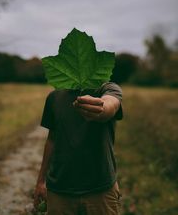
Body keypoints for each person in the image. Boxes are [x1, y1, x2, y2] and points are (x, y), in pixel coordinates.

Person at [34, 81, 123, 215]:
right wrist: (40, 181)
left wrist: (101, 109)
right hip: (59, 191)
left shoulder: (107, 88)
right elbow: (51, 139)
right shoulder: (53, 97)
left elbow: (111, 104)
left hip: (100, 190)